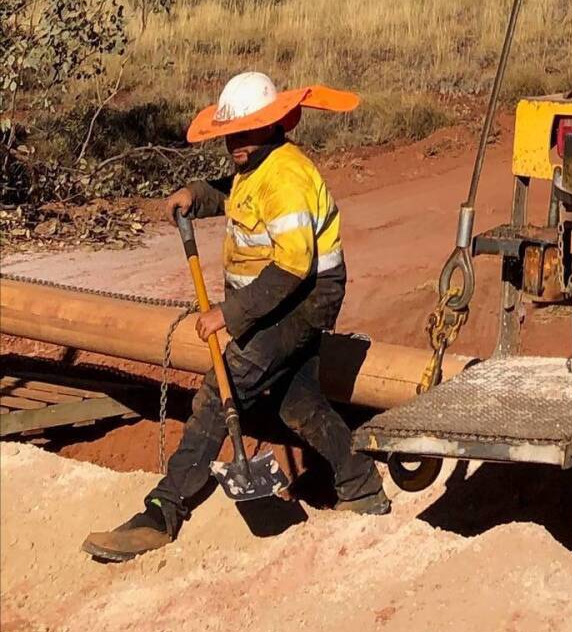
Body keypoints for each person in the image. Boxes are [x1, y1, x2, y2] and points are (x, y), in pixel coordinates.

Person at [84, 70, 391, 562]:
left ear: (271, 126)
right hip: (282, 298)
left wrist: (229, 313)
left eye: (245, 133)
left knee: (218, 390)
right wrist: (197, 196)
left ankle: (163, 509)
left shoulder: (287, 176)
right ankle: (362, 486)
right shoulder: (256, 167)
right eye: (230, 135)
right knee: (298, 403)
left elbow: (294, 265)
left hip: (303, 298)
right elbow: (234, 192)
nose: (236, 145)